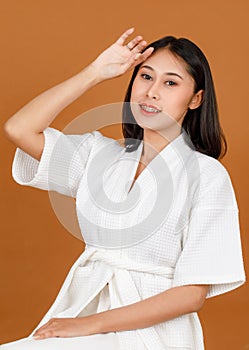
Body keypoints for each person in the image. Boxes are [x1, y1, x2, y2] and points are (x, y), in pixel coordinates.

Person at [2, 27, 246, 350]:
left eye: (170, 82)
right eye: (145, 77)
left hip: (152, 335)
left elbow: (191, 294)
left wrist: (89, 325)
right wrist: (93, 73)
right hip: (83, 313)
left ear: (196, 99)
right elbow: (18, 129)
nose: (152, 92)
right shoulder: (98, 155)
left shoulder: (207, 176)